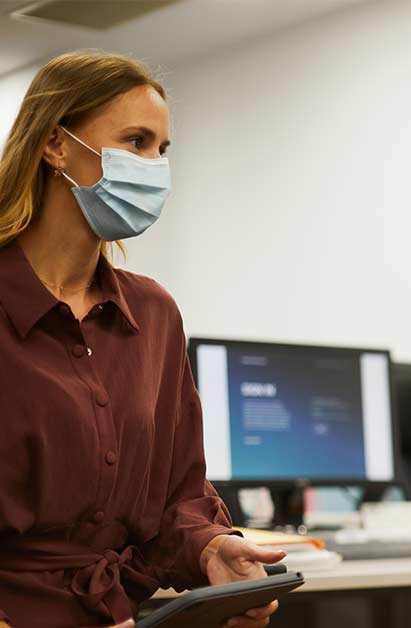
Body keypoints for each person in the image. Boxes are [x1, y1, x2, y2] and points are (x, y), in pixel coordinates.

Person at [0, 51, 286, 628]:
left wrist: (211, 549)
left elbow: (178, 493)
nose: (154, 165)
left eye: (162, 149)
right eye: (135, 141)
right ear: (56, 144)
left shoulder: (153, 314)